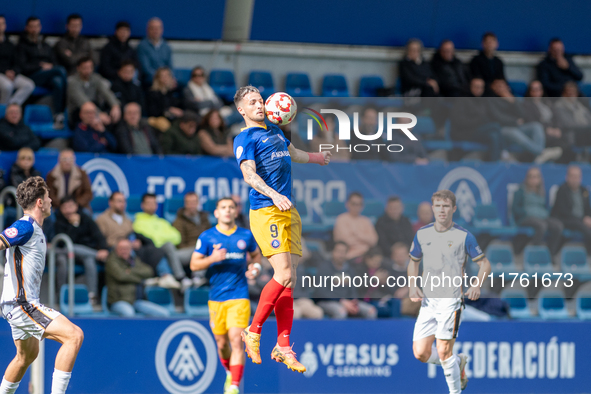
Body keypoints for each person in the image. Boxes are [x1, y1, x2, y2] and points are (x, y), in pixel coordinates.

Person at [233, 85, 331, 373]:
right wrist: (273, 194)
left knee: (290, 280)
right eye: (252, 103)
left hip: (289, 211)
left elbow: (294, 154)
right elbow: (248, 173)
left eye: (261, 101)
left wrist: (316, 157)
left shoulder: (276, 131)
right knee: (284, 274)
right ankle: (253, 330)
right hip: (267, 210)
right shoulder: (245, 137)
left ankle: (284, 346)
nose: (259, 105)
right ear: (242, 110)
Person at [0, 176, 84, 394]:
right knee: (74, 336)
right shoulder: (25, 226)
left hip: (17, 304)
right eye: (47, 197)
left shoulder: (34, 228)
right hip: (22, 304)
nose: (51, 201)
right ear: (39, 202)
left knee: (26, 356)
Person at [409, 190, 491, 394]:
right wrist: (412, 284)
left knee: (444, 351)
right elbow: (413, 261)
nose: (441, 210)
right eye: (437, 206)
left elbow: (485, 264)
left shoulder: (464, 236)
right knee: (420, 353)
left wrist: (476, 284)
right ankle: (458, 363)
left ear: (453, 209)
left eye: (446, 206)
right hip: (428, 301)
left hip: (450, 300)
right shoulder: (422, 234)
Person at [191, 197, 261, 394]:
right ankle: (230, 372)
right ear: (216, 213)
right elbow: (194, 264)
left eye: (231, 207)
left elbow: (257, 257)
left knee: (236, 341)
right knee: (222, 345)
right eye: (223, 207)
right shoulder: (207, 237)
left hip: (239, 296)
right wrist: (212, 259)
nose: (228, 211)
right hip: (216, 298)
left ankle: (234, 387)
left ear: (236, 211)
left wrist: (254, 268)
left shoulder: (246, 236)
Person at [95, 191, 181, 289]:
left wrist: (135, 242)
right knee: (134, 252)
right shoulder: (101, 219)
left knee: (151, 250)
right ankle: (145, 279)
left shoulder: (127, 220)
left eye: (123, 202)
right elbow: (100, 239)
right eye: (119, 201)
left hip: (129, 247)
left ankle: (164, 276)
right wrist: (121, 244)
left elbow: (133, 235)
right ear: (111, 203)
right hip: (113, 249)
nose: (122, 204)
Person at [488, 79, 562, 163]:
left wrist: (512, 100)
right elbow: (498, 117)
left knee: (536, 126)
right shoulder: (491, 100)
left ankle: (537, 158)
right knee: (514, 132)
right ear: (493, 88)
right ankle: (541, 152)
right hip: (502, 129)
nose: (501, 88)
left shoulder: (513, 98)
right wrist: (515, 121)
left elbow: (522, 114)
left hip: (518, 126)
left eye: (502, 86)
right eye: (498, 86)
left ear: (507, 87)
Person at [54, 195, 109, 304]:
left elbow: (98, 234)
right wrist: (74, 225)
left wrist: (104, 248)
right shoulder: (58, 221)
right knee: (69, 250)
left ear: (76, 206)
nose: (68, 210)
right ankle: (61, 296)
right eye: (64, 207)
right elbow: (64, 243)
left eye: (70, 207)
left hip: (84, 254)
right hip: (65, 253)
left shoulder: (85, 218)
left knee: (89, 260)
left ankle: (92, 296)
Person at [133, 193, 193, 290]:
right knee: (168, 244)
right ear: (142, 205)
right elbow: (153, 241)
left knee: (198, 250)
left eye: (154, 203)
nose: (151, 206)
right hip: (155, 255)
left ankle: (198, 278)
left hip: (172, 255)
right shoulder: (138, 222)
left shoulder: (162, 221)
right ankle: (181, 278)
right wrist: (165, 238)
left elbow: (177, 237)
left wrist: (161, 238)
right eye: (148, 203)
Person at [16, 17, 67, 122]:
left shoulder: (46, 45)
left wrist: (50, 66)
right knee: (60, 70)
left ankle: (58, 114)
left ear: (40, 27)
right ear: (27, 28)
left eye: (37, 26)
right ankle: (65, 106)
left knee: (58, 81)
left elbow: (54, 62)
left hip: (49, 75)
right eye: (32, 27)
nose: (34, 29)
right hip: (32, 76)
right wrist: (40, 67)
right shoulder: (22, 46)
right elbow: (23, 66)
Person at [106, 238, 171, 317]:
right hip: (119, 300)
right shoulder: (111, 260)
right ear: (116, 250)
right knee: (129, 313)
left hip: (136, 301)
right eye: (121, 249)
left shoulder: (134, 260)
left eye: (127, 248)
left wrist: (129, 272)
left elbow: (149, 271)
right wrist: (140, 280)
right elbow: (122, 276)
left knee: (163, 313)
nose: (124, 251)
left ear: (131, 249)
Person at [315, 242, 377, 319]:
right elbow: (322, 292)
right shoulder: (324, 268)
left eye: (343, 252)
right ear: (332, 252)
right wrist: (341, 301)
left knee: (371, 311)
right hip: (327, 302)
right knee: (341, 312)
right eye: (338, 251)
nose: (341, 254)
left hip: (347, 302)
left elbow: (353, 290)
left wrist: (353, 302)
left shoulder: (350, 270)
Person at [512, 167, 563, 256]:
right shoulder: (520, 191)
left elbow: (546, 207)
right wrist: (525, 212)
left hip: (541, 217)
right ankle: (533, 254)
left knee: (558, 226)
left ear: (540, 179)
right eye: (531, 177)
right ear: (527, 178)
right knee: (542, 225)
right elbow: (515, 208)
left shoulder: (542, 192)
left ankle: (551, 254)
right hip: (526, 218)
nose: (533, 179)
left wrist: (545, 214)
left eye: (536, 177)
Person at [523, 80, 575, 163]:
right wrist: (547, 129)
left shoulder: (547, 103)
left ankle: (548, 154)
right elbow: (531, 121)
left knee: (569, 141)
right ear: (530, 92)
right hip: (541, 133)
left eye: (539, 89)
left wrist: (557, 128)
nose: (537, 92)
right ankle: (548, 154)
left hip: (554, 131)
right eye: (534, 90)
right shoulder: (526, 105)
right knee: (565, 147)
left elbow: (556, 118)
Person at [450, 78, 502, 161]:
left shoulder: (483, 101)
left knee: (494, 136)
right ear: (470, 87)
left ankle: (494, 163)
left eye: (481, 87)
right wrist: (479, 121)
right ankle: (503, 154)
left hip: (479, 132)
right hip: (465, 133)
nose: (479, 90)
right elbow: (458, 121)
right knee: (495, 126)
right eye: (476, 87)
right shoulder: (462, 100)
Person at [67, 56, 121, 127]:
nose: (88, 70)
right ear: (78, 68)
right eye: (85, 68)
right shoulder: (73, 82)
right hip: (78, 111)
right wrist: (99, 114)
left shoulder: (95, 78)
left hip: (94, 107)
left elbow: (106, 92)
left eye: (90, 67)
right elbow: (83, 102)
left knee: (114, 116)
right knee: (96, 120)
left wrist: (115, 106)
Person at [551, 165, 591, 254]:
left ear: (580, 178)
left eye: (577, 176)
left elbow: (588, 209)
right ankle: (589, 255)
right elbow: (563, 211)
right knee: (584, 228)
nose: (574, 179)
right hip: (564, 219)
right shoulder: (562, 190)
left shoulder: (584, 190)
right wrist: (583, 220)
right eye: (572, 176)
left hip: (581, 220)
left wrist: (588, 217)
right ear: (567, 177)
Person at [0, 16, 35, 105]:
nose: (0, 26)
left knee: (29, 85)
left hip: (11, 74)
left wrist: (14, 71)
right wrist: (5, 71)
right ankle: (2, 111)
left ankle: (11, 107)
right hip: (1, 73)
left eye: (2, 23)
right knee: (8, 86)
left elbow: (17, 61)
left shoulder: (10, 44)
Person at [333, 192, 378, 260]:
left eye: (359, 204)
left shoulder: (366, 220)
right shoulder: (341, 219)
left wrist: (357, 235)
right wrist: (365, 243)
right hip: (350, 256)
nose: (356, 207)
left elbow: (373, 240)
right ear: (347, 204)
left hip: (367, 256)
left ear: (362, 206)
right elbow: (346, 241)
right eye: (353, 204)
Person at [172, 192, 210, 270]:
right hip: (186, 251)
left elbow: (210, 236)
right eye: (189, 202)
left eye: (194, 202)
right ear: (185, 204)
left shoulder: (204, 218)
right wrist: (197, 247)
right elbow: (179, 244)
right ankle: (197, 277)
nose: (192, 205)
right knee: (201, 252)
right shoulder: (179, 221)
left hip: (204, 248)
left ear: (198, 203)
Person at [553, 81, 591, 146]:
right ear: (563, 93)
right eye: (569, 92)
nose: (571, 94)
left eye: (573, 92)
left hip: (585, 132)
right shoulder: (558, 106)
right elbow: (567, 124)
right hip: (572, 135)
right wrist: (587, 127)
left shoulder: (580, 106)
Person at [136, 18, 172, 86]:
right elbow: (146, 68)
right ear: (148, 30)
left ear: (162, 30)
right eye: (153, 28)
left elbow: (170, 66)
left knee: (181, 86)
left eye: (158, 28)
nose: (155, 31)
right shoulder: (142, 46)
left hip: (165, 79)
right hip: (149, 79)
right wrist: (160, 77)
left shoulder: (166, 46)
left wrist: (169, 77)